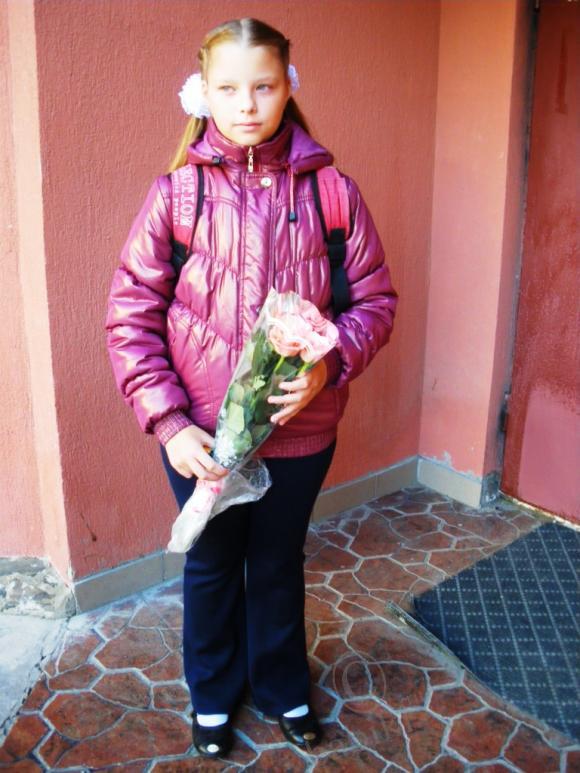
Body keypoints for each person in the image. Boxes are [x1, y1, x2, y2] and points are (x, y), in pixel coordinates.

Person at [105, 16, 398, 760]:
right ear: (202, 92)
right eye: (229, 88)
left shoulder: (332, 192)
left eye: (263, 86)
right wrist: (169, 423)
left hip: (302, 431)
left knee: (276, 563)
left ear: (287, 88)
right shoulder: (177, 195)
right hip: (202, 438)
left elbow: (374, 302)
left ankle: (281, 684)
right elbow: (130, 315)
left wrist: (329, 364)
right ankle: (212, 691)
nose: (246, 104)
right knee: (210, 565)